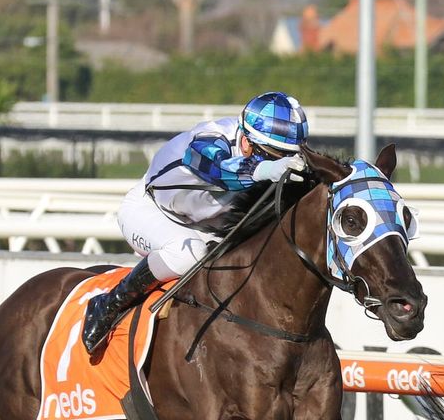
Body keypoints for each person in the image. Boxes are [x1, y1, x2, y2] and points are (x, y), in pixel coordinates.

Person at [81, 91, 310, 354]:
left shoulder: (258, 150)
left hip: (207, 227)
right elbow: (214, 167)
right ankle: (109, 305)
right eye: (273, 156)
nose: (280, 163)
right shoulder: (211, 137)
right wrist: (263, 170)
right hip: (151, 211)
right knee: (187, 255)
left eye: (287, 157)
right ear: (246, 142)